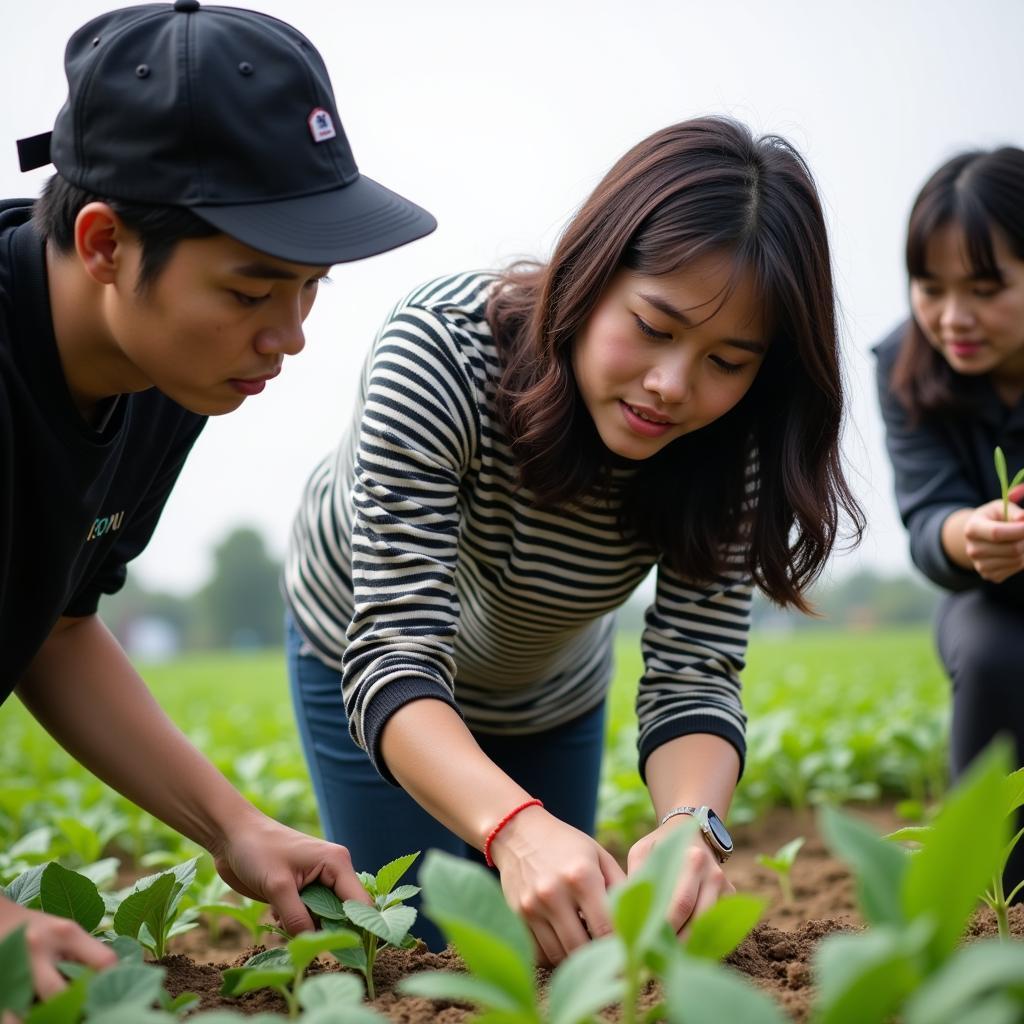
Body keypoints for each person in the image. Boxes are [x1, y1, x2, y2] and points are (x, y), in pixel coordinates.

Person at [284, 116, 863, 960]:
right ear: (591, 274)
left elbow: (694, 670)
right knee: (417, 953)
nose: (672, 386)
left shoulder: (732, 444)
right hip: (364, 664)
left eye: (727, 361)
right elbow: (396, 654)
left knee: (558, 949)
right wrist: (514, 825)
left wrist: (690, 825)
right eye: (656, 327)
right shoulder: (441, 353)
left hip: (547, 685)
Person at [1, 0, 435, 1000]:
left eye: (309, 286)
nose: (288, 335)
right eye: (250, 291)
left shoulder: (159, 372)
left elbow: (58, 629)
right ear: (105, 243)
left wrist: (237, 826)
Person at [875, 147, 1024, 894]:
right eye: (930, 288)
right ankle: (991, 895)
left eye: (986, 288)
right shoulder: (904, 362)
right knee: (995, 655)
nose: (952, 318)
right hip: (990, 598)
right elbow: (925, 515)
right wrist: (972, 533)